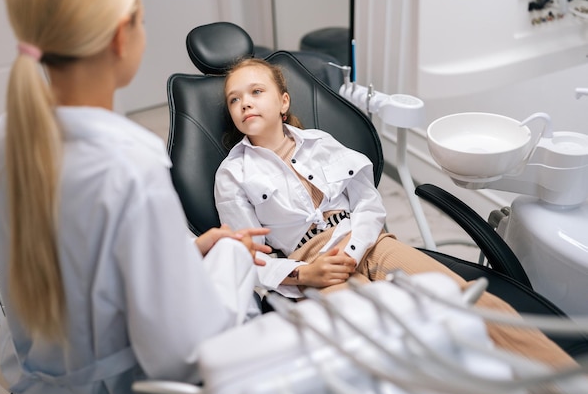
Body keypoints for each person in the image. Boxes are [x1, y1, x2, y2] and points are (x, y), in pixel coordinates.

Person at [0, 0, 270, 394]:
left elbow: (82, 258)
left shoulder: (6, 136)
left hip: (38, 390)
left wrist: (187, 249)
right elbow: (182, 357)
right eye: (142, 21)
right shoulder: (129, 163)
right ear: (120, 38)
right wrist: (234, 259)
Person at [214, 57, 576, 369]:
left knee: (462, 298)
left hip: (369, 242)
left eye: (256, 91)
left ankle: (568, 383)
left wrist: (355, 249)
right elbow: (248, 257)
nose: (245, 103)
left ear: (283, 101)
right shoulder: (232, 174)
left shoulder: (320, 144)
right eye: (235, 99)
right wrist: (307, 272)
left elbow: (369, 203)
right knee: (383, 336)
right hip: (316, 267)